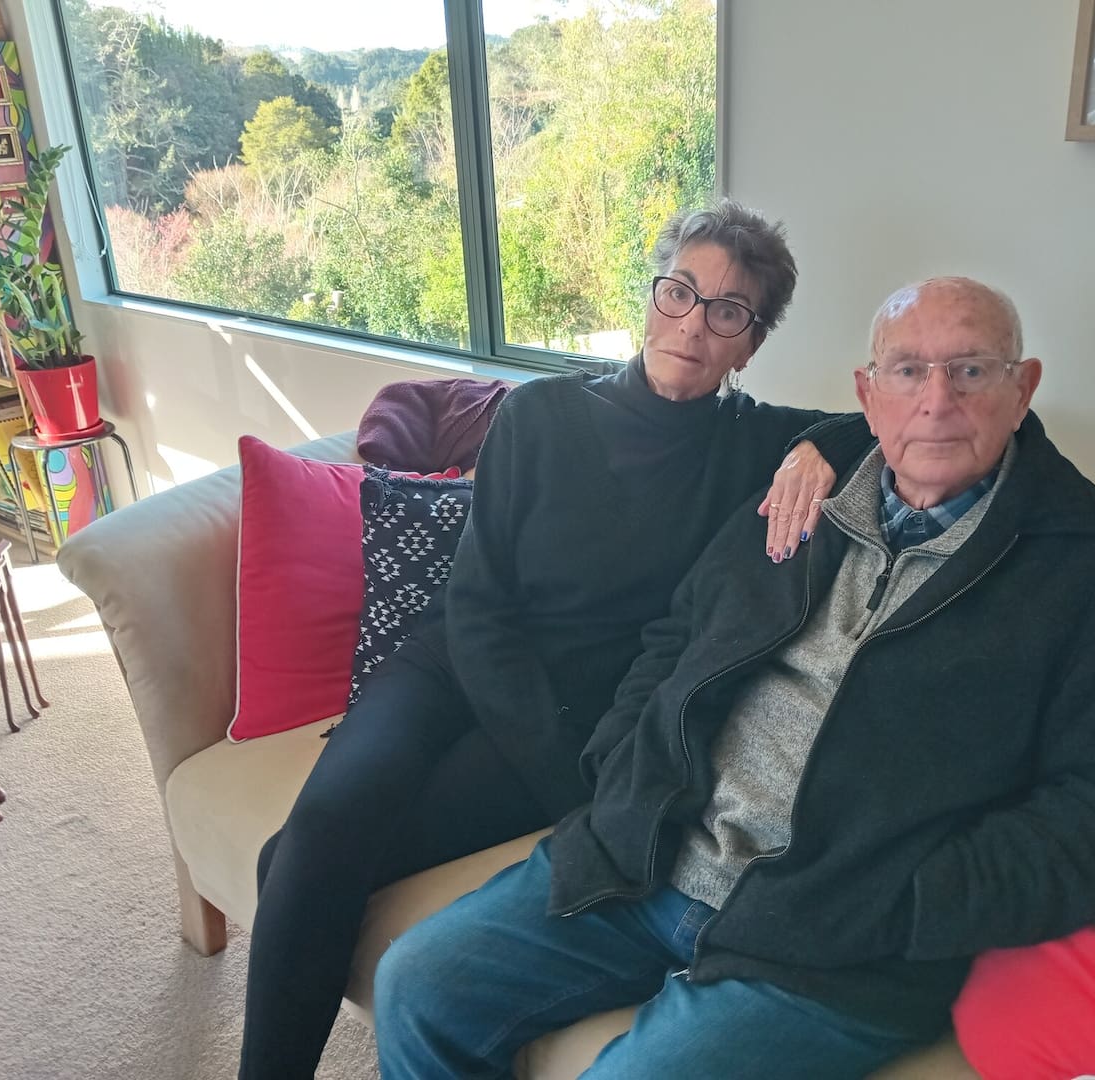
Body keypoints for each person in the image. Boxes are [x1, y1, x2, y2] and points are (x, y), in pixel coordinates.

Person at [373, 277, 1095, 1079]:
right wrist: (624, 765)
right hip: (650, 857)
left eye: (972, 369)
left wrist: (913, 900)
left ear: (1023, 388)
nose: (937, 399)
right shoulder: (801, 498)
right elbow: (678, 633)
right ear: (868, 392)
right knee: (417, 983)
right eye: (909, 370)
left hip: (834, 945)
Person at [239, 200, 861, 1078]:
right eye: (680, 291)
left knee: (291, 862)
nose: (694, 322)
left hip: (574, 713)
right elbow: (479, 602)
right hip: (453, 667)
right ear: (652, 295)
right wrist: (566, 775)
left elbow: (895, 424)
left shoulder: (749, 444)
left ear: (749, 343)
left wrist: (817, 450)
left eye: (728, 311)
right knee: (320, 830)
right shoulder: (540, 417)